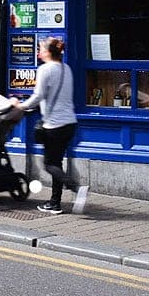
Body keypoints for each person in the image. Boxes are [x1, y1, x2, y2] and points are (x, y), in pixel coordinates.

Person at [10, 37, 89, 215]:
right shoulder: (66, 68)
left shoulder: (45, 69)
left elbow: (38, 96)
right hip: (70, 123)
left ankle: (76, 189)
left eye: (41, 48)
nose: (39, 52)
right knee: (56, 164)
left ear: (48, 52)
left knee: (49, 165)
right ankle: (55, 203)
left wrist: (20, 106)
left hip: (54, 125)